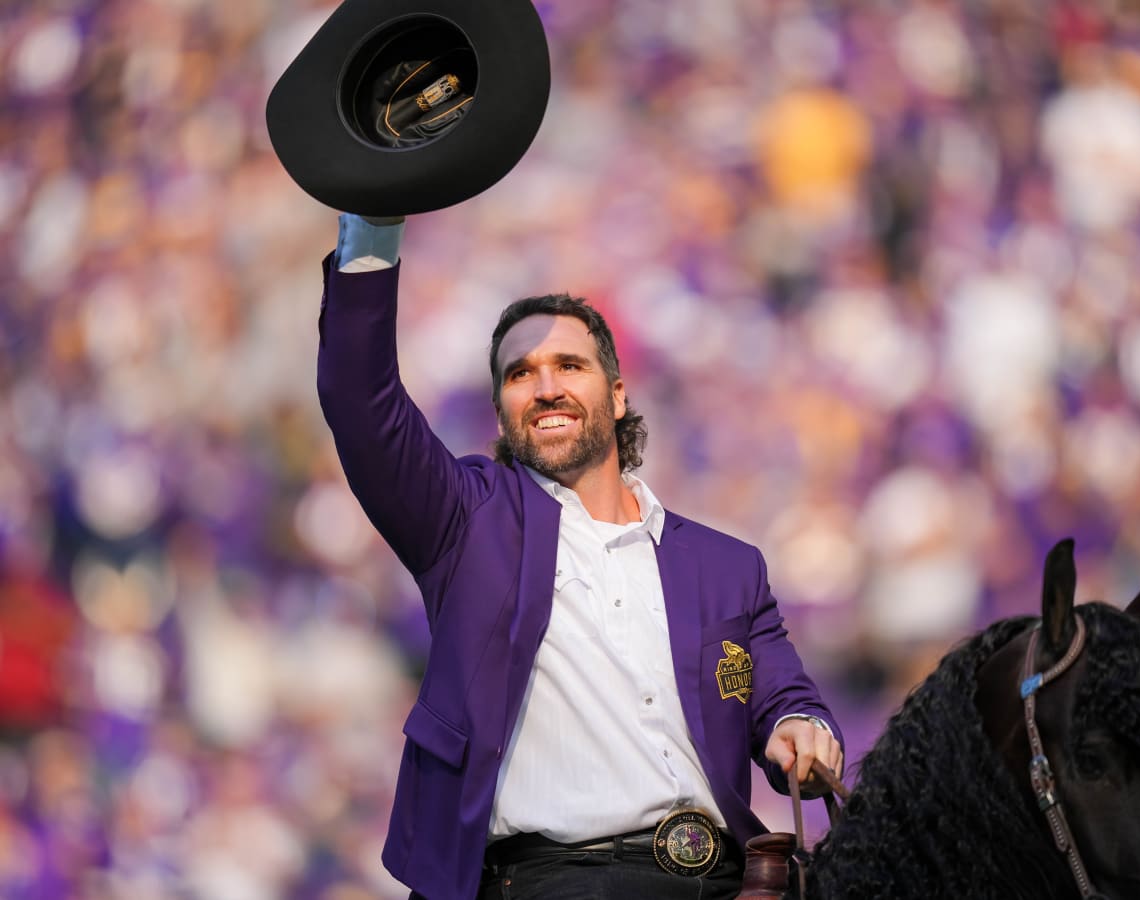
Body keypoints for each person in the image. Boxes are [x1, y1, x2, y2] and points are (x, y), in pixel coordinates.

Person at [316, 212, 844, 900]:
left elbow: (782, 697)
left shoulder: (727, 567)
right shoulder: (465, 521)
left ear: (618, 395)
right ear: (504, 411)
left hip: (720, 880)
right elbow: (361, 403)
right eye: (520, 374)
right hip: (547, 881)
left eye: (570, 365)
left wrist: (800, 728)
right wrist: (375, 222)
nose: (545, 387)